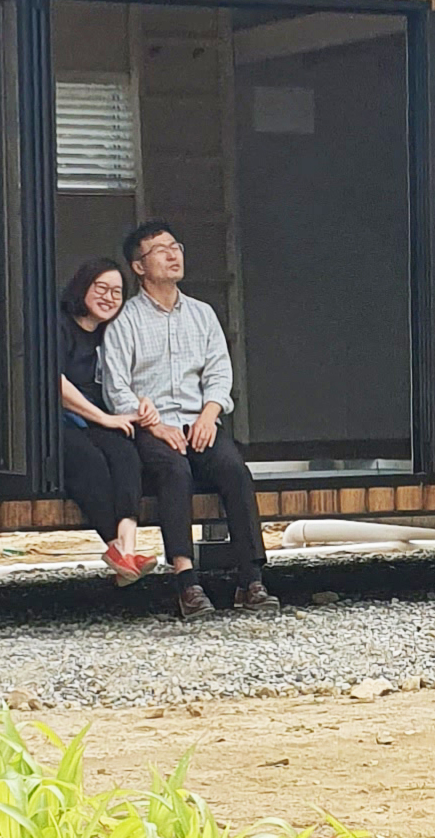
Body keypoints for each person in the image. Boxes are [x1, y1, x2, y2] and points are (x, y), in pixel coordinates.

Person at [99, 219, 278, 619]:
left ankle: (251, 579)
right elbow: (116, 388)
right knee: (174, 471)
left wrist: (209, 415)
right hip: (151, 426)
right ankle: (186, 581)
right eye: (160, 250)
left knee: (234, 469)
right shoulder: (125, 320)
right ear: (139, 267)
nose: (172, 255)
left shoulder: (202, 314)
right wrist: (155, 425)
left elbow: (219, 373)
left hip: (200, 421)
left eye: (175, 246)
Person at [57, 257, 155, 585]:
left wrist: (142, 403)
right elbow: (55, 383)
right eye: (101, 288)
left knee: (126, 454)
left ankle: (127, 550)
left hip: (100, 419)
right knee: (90, 461)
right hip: (61, 421)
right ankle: (116, 548)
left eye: (117, 292)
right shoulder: (59, 326)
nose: (109, 297)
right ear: (82, 286)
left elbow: (130, 376)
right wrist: (104, 417)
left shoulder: (112, 333)